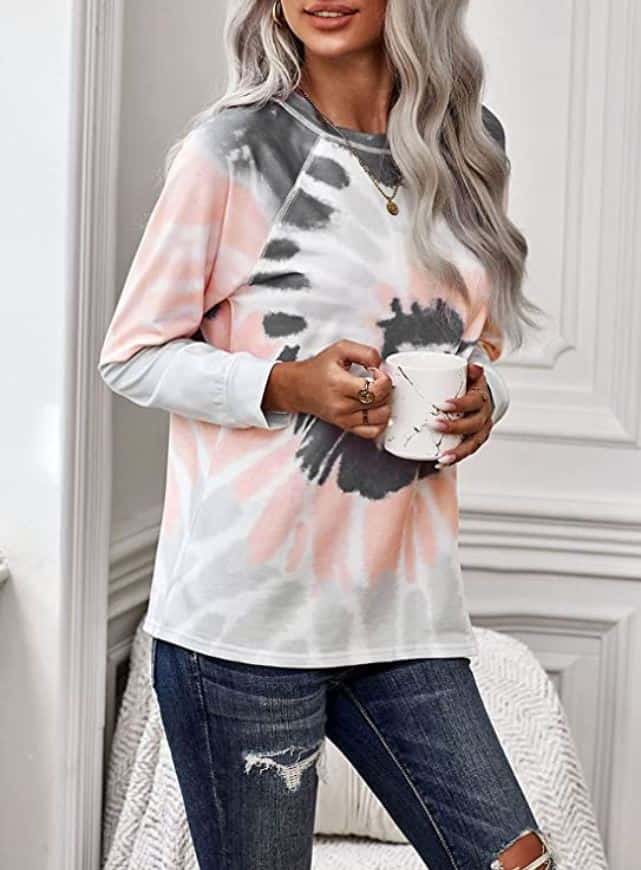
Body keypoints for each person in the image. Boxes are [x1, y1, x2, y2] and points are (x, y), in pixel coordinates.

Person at [98, 1, 555, 868]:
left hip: (402, 613)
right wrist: (286, 384)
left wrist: (486, 399)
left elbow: (477, 344)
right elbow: (133, 356)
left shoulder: (466, 146)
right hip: (247, 623)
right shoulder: (232, 150)